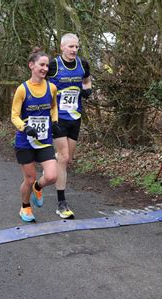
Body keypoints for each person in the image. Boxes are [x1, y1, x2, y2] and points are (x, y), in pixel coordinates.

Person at [11, 48, 61, 222]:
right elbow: (14, 115)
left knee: (52, 176)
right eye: (42, 64)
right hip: (25, 141)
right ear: (31, 65)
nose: (45, 68)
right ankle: (25, 207)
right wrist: (25, 127)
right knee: (29, 178)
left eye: (47, 65)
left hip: (44, 139)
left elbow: (53, 107)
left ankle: (38, 187)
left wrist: (54, 122)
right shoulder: (22, 90)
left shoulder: (52, 88)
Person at [47, 33, 92, 219]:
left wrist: (87, 90)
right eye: (71, 47)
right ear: (62, 47)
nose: (74, 50)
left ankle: (55, 161)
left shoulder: (83, 64)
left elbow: (87, 80)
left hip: (75, 118)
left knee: (67, 159)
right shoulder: (54, 65)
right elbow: (40, 84)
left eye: (76, 47)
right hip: (58, 118)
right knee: (64, 158)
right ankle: (61, 203)